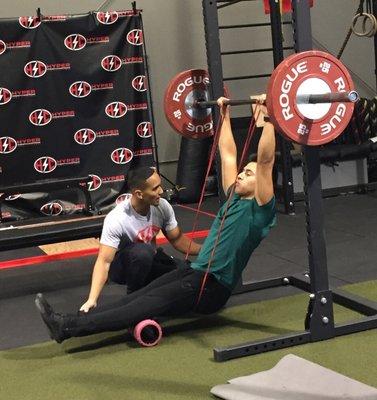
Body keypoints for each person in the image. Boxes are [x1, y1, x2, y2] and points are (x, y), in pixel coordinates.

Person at [35, 96, 276, 344]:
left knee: (143, 305)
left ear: (261, 185)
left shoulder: (259, 210)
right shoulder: (232, 197)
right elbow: (227, 155)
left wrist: (269, 117)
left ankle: (65, 327)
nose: (240, 175)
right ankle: (71, 320)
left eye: (248, 174)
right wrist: (223, 114)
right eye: (243, 171)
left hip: (212, 288)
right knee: (135, 299)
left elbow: (266, 162)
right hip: (195, 272)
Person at [79, 166, 202, 313]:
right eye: (155, 188)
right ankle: (133, 299)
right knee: (143, 251)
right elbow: (104, 262)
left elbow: (178, 239)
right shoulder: (117, 218)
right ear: (139, 194)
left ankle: (151, 292)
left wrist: (207, 250)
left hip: (149, 260)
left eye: (160, 186)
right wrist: (92, 299)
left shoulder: (162, 206)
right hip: (122, 267)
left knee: (186, 273)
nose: (161, 192)